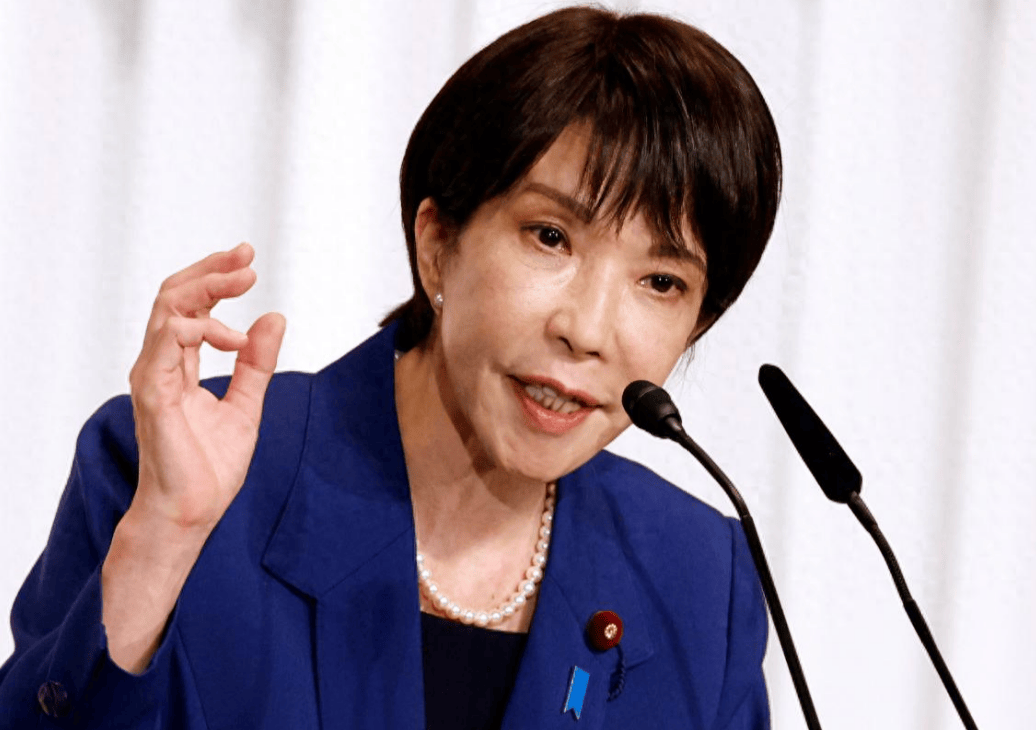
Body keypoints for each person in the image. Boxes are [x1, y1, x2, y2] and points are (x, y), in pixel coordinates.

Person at [0, 6, 781, 729]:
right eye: (550, 237)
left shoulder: (698, 581)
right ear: (437, 243)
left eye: (661, 281)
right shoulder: (178, 471)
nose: (587, 331)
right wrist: (163, 540)